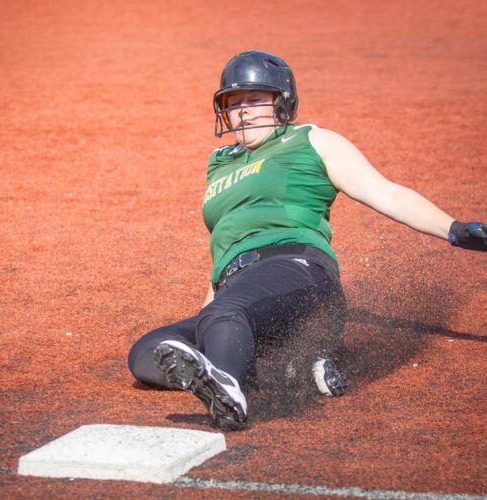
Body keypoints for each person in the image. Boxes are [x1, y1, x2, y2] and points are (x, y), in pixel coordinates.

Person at [128, 50, 486, 431]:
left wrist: (453, 229)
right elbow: (226, 244)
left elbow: (386, 193)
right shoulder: (220, 162)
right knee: (149, 350)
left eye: (253, 100)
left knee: (224, 314)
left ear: (283, 103)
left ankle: (232, 392)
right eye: (233, 103)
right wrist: (208, 313)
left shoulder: (311, 140)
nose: (242, 111)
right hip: (239, 288)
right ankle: (269, 370)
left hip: (298, 272)